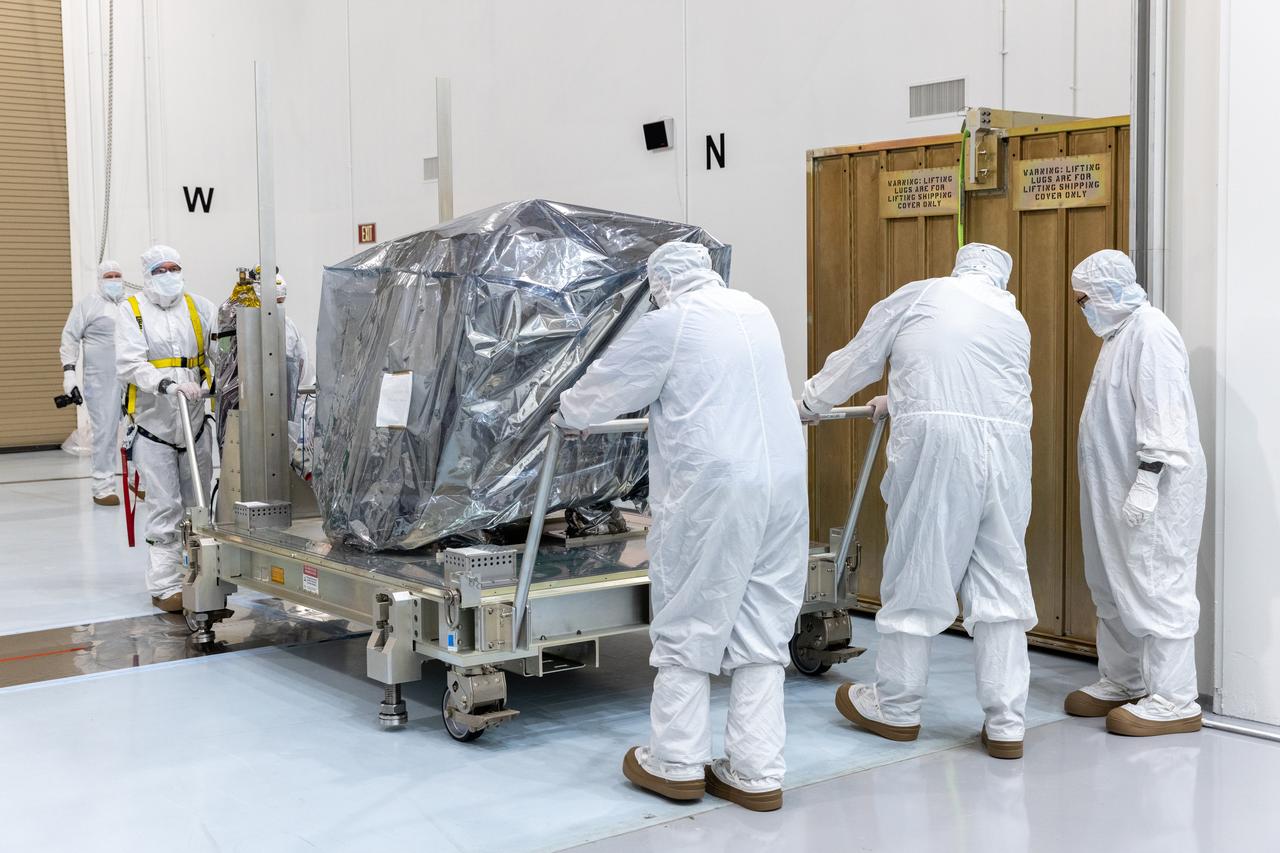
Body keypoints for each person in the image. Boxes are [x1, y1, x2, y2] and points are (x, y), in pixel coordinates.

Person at [554, 241, 808, 811]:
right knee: (764, 626)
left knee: (691, 617)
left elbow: (601, 391)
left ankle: (675, 762)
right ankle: (755, 771)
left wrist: (569, 415)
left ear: (661, 283)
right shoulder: (755, 311)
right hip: (785, 485)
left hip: (715, 489)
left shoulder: (670, 324)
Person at [800, 243, 1037, 759]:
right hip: (1009, 456)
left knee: (918, 573)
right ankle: (1007, 723)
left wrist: (811, 402)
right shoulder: (1012, 318)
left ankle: (898, 708)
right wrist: (901, 397)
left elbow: (863, 356)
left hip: (939, 450)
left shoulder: (924, 295)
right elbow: (973, 390)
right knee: (1001, 589)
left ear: (959, 265)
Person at [1066, 249, 1206, 736]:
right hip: (1113, 488)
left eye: (1083, 299)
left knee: (1156, 580)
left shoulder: (1151, 331)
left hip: (1152, 488)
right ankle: (1123, 680)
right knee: (1110, 582)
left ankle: (1174, 699)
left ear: (1106, 292)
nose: (1082, 308)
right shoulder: (1119, 335)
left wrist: (1148, 478)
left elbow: (1162, 412)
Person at [116, 245, 217, 613]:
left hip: (194, 422)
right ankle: (165, 586)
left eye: (175, 267)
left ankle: (201, 576)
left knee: (199, 504)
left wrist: (209, 382)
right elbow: (129, 363)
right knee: (164, 506)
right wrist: (163, 384)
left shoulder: (199, 306)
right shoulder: (133, 310)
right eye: (162, 269)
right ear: (147, 275)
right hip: (153, 423)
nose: (170, 274)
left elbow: (216, 354)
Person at [60, 261, 127, 505]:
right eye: (109, 276)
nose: (114, 280)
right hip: (101, 379)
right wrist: (69, 373)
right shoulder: (87, 305)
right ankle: (103, 487)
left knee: (141, 430)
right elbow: (69, 338)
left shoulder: (132, 305)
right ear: (100, 279)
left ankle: (142, 482)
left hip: (133, 377)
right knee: (105, 432)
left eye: (117, 275)